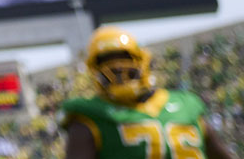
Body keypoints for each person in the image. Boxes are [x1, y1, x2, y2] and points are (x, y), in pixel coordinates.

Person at [61, 26, 235, 159]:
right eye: (107, 63)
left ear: (142, 61)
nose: (118, 68)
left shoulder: (186, 104)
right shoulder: (90, 117)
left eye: (124, 59)